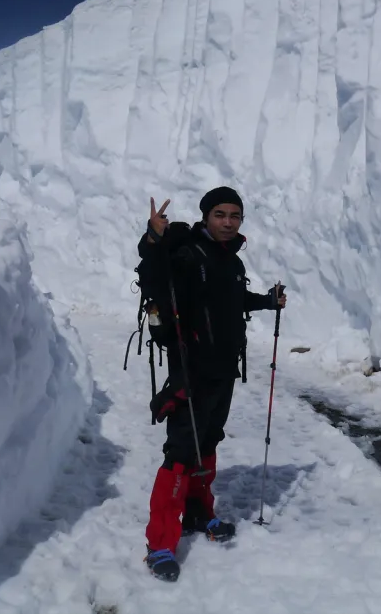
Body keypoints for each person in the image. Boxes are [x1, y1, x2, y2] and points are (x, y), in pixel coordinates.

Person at [137, 185, 287, 582]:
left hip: (223, 370)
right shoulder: (186, 255)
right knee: (181, 452)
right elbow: (153, 272)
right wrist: (153, 236)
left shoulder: (231, 262)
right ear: (206, 217)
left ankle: (200, 512)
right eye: (220, 214)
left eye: (234, 216)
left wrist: (266, 302)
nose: (227, 222)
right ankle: (161, 543)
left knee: (208, 444)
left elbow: (232, 300)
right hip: (191, 369)